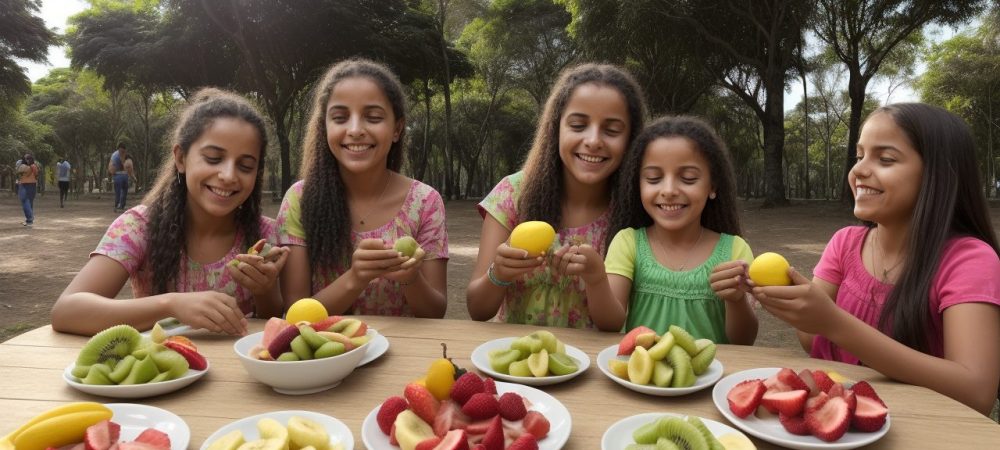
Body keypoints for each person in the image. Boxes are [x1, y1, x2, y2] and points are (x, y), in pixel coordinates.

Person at [753, 103, 1000, 416]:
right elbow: (814, 341)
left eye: (885, 159)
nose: (858, 171)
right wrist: (799, 311)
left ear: (937, 175)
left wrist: (835, 322)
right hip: (836, 424)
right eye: (859, 156)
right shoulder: (844, 244)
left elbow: (976, 392)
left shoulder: (969, 261)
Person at [52, 88, 290, 336]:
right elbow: (66, 311)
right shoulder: (139, 227)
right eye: (213, 158)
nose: (229, 176)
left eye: (245, 166)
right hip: (161, 372)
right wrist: (171, 305)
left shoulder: (266, 237)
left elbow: (272, 329)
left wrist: (265, 291)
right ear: (181, 158)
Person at [466, 63, 648, 330]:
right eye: (578, 125)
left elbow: (614, 323)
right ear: (556, 128)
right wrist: (499, 273)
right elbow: (477, 309)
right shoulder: (513, 194)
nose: (593, 140)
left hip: (592, 367)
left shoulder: (637, 210)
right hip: (517, 367)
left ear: (631, 139)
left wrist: (596, 279)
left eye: (611, 130)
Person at [277, 59, 448, 318]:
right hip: (326, 356)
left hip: (403, 355)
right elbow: (295, 313)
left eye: (374, 117)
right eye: (340, 117)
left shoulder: (425, 202)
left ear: (397, 129)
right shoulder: (299, 200)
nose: (355, 130)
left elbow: (435, 312)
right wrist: (355, 279)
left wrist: (411, 279)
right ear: (325, 127)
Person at [576, 116, 758, 343]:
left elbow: (744, 341)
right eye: (654, 179)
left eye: (688, 178)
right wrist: (596, 280)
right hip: (641, 377)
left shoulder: (734, 250)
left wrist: (736, 300)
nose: (669, 190)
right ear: (638, 185)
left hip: (712, 378)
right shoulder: (628, 242)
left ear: (712, 186)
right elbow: (610, 323)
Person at [109, 142, 134, 212]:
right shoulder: (118, 155)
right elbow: (129, 167)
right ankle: (120, 205)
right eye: (122, 150)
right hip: (121, 175)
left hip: (119, 175)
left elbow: (111, 167)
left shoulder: (114, 155)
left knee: (120, 191)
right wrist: (131, 175)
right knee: (122, 191)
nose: (122, 152)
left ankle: (119, 206)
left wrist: (112, 173)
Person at [16, 153, 39, 227]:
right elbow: (36, 174)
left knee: (25, 202)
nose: (27, 160)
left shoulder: (23, 166)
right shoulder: (34, 166)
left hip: (25, 185)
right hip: (32, 185)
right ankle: (29, 220)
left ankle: (29, 220)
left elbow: (19, 171)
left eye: (28, 158)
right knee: (29, 202)